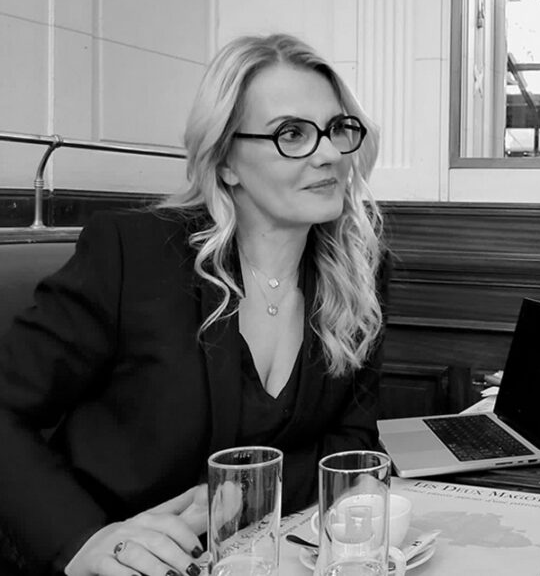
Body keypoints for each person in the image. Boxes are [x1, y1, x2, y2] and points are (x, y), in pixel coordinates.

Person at [0, 34, 387, 576]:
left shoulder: (356, 273)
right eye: (291, 134)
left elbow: (350, 443)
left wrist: (235, 500)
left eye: (338, 129)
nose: (329, 153)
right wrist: (82, 540)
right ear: (226, 161)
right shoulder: (132, 254)